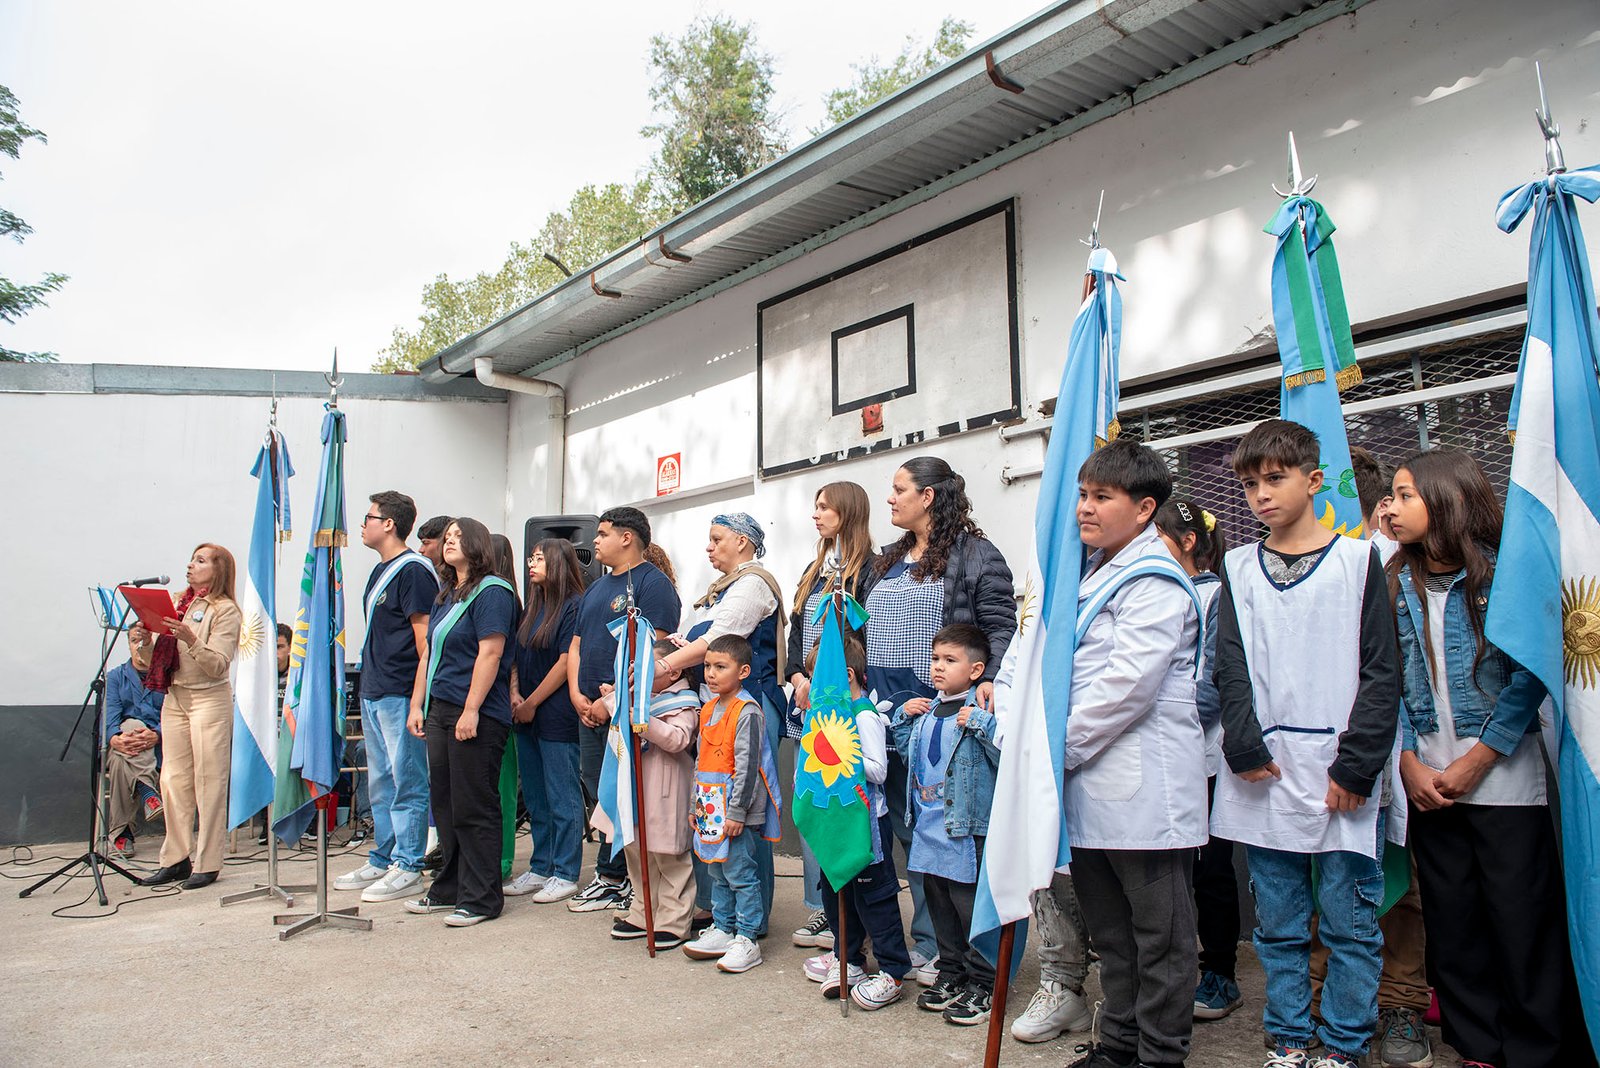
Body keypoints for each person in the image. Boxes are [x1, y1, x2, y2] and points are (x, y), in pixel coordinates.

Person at [1211, 420, 1400, 1068]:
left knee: (1349, 923)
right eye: (1249, 484)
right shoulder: (1238, 567)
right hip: (1263, 772)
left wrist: (1358, 764)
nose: (1261, 494)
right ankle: (1289, 1038)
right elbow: (1229, 664)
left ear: (1314, 480)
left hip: (1339, 773)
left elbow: (1381, 670)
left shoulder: (1357, 561)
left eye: (1275, 478)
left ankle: (1345, 1044)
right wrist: (1242, 743)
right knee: (1278, 924)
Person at [1389, 448, 1572, 1068]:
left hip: (1504, 785)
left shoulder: (1501, 578)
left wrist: (1480, 757)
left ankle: (1534, 1049)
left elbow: (1529, 677)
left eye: (1407, 495)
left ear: (1450, 499)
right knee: (1454, 920)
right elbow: (1383, 680)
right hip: (1429, 783)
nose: (1392, 508)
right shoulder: (1394, 582)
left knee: (1520, 921)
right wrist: (1408, 760)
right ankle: (1477, 1046)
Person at [1053, 440, 1204, 1068]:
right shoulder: (1091, 572)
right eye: (1083, 495)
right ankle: (1117, 1045)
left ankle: (1160, 1053)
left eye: (1102, 497)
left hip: (1145, 793)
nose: (1085, 508)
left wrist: (1053, 749)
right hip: (1091, 785)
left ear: (1144, 509)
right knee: (1112, 935)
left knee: (1160, 937)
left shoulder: (1154, 580)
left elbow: (1126, 687)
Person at [1306, 445, 1435, 1068]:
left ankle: (1402, 999)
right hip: (1320, 752)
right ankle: (1319, 992)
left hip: (1398, 748)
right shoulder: (1295, 568)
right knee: (1322, 877)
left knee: (1398, 883)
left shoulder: (1399, 568)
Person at [867, 456, 1016, 984]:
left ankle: (950, 953)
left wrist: (987, 680)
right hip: (889, 716)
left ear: (928, 496)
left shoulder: (976, 555)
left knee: (946, 836)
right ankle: (920, 945)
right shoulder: (887, 559)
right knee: (903, 832)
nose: (890, 499)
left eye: (899, 489)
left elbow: (1000, 628)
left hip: (946, 722)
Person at [656, 512, 787, 935]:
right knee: (711, 797)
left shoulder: (753, 585)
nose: (709, 548)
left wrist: (663, 666)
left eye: (717, 539)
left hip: (749, 706)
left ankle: (752, 917)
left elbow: (714, 639)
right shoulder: (722, 590)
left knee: (746, 808)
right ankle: (718, 908)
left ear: (743, 542)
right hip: (714, 710)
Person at [1152, 497, 1241, 1026]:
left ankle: (1221, 971)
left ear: (1188, 542)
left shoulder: (1214, 596)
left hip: (1203, 755)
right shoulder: (1155, 589)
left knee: (1211, 870)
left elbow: (1211, 683)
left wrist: (1168, 724)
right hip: (1165, 753)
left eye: (1159, 536)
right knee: (1172, 873)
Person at [403, 518, 518, 927]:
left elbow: (491, 654)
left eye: (457, 536)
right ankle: (450, 886)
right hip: (440, 708)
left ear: (476, 543)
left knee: (474, 805)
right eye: (447, 537)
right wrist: (417, 705)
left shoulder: (494, 592)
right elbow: (428, 655)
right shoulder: (447, 593)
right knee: (446, 804)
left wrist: (471, 709)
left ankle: (482, 897)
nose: (449, 542)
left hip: (477, 712)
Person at [567, 506, 681, 913]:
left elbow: (654, 652)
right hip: (589, 708)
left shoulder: (653, 585)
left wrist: (611, 700)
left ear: (627, 537)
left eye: (602, 534)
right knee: (600, 791)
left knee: (627, 792)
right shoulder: (597, 588)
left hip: (625, 709)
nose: (595, 541)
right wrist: (577, 695)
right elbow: (577, 645)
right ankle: (613, 874)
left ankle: (620, 878)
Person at [890, 623, 1000, 1026]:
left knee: (970, 908)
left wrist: (984, 725)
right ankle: (951, 971)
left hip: (964, 828)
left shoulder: (984, 708)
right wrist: (903, 720)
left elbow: (1005, 759)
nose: (938, 667)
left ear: (976, 670)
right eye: (936, 658)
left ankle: (984, 981)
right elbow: (911, 758)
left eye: (950, 660)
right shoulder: (928, 711)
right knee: (940, 905)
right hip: (928, 826)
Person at [334, 492, 439, 903]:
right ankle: (384, 856)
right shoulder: (381, 570)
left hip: (400, 691)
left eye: (369, 518)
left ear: (389, 524)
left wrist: (417, 701)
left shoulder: (413, 571)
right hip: (374, 689)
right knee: (380, 783)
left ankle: (409, 864)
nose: (363, 525)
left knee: (406, 780)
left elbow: (425, 644)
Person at [786, 481, 877, 949]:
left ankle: (857, 913)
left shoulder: (871, 570)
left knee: (845, 803)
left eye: (824, 507)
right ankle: (823, 906)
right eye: (815, 506)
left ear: (848, 511)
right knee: (814, 799)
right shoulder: (813, 571)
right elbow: (796, 633)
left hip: (843, 712)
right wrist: (798, 679)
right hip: (808, 704)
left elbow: (868, 640)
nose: (816, 514)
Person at [800, 632, 910, 1011]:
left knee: (874, 897)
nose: (812, 685)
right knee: (836, 892)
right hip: (834, 820)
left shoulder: (863, 715)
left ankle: (893, 970)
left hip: (865, 823)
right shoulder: (827, 715)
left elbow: (878, 770)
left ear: (846, 675)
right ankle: (848, 959)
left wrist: (841, 755)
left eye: (817, 677)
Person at [133, 543, 243, 890]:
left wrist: (191, 638)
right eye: (192, 559)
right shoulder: (179, 602)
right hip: (175, 697)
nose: (190, 565)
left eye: (200, 560)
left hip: (208, 698)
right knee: (173, 780)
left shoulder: (225, 610)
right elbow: (152, 661)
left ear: (218, 569)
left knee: (209, 781)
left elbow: (217, 664)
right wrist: (144, 641)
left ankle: (208, 862)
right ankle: (175, 859)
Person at [681, 634, 781, 974]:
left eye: (721, 667)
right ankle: (723, 928)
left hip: (735, 811)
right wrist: (694, 805)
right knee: (717, 871)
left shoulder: (747, 711)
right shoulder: (709, 708)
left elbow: (748, 765)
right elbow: (700, 761)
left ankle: (747, 937)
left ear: (743, 671)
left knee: (740, 873)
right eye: (708, 666)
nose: (711, 674)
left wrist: (738, 812)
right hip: (709, 808)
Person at [592, 637, 702, 949]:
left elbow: (678, 739)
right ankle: (643, 912)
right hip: (633, 789)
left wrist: (641, 720)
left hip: (665, 790)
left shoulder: (684, 702)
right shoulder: (641, 697)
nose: (640, 673)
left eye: (648, 667)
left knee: (669, 858)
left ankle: (673, 920)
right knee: (637, 852)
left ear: (673, 671)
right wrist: (616, 699)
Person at [505, 538, 588, 904]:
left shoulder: (574, 606)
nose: (531, 564)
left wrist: (532, 702)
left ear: (557, 562)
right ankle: (541, 865)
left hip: (555, 714)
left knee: (561, 796)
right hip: (525, 714)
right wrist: (515, 695)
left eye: (539, 558)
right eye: (531, 558)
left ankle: (566, 872)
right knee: (537, 797)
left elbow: (565, 661)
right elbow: (516, 656)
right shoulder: (533, 606)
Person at [102, 629, 165, 858]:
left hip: (160, 748)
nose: (139, 645)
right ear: (128, 644)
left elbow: (176, 713)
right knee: (129, 727)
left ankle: (122, 834)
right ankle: (148, 793)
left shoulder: (167, 676)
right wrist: (114, 738)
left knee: (123, 756)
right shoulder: (116, 677)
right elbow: (110, 718)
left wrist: (157, 734)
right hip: (123, 746)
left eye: (144, 640)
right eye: (134, 640)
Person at [490, 533, 523, 883]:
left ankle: (501, 859)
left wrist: (514, 692)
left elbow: (510, 659)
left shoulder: (504, 598)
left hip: (499, 705)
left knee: (502, 789)